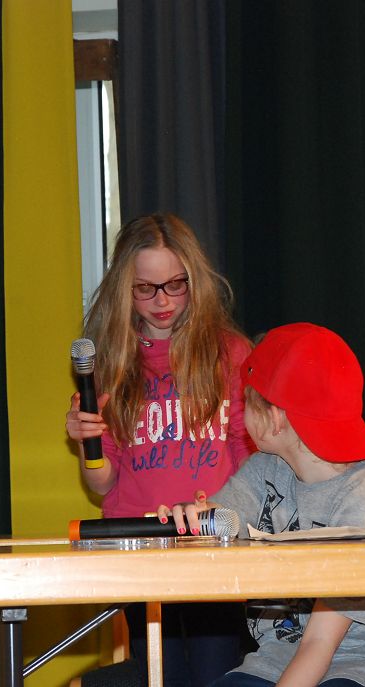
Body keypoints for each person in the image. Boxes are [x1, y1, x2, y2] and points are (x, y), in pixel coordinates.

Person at [161, 322, 365, 687]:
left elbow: (320, 642)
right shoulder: (264, 469)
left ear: (275, 418)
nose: (239, 414)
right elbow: (226, 517)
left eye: (246, 401)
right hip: (280, 655)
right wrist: (195, 518)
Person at [65, 212, 255, 686]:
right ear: (123, 289)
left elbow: (247, 451)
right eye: (145, 289)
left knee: (215, 674)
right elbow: (101, 482)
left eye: (175, 284)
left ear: (195, 278)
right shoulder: (111, 363)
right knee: (161, 675)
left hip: (213, 544)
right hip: (140, 546)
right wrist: (88, 442)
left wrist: (234, 512)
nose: (163, 301)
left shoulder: (229, 353)